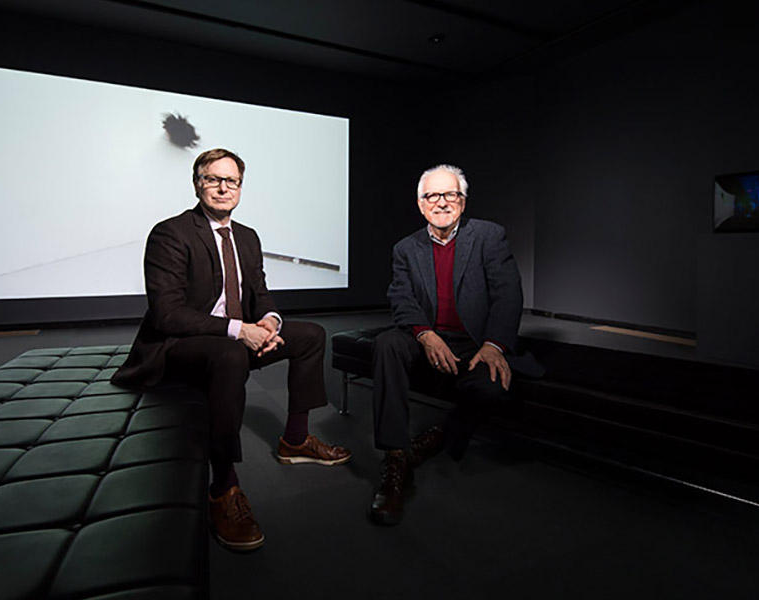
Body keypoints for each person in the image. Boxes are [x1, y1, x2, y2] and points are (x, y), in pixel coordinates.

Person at [112, 148, 351, 551]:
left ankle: (295, 440)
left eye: (232, 181)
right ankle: (223, 487)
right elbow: (168, 315)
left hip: (233, 336)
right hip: (178, 347)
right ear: (197, 183)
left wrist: (270, 323)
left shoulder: (247, 236)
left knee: (310, 333)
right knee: (231, 354)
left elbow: (260, 293)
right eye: (213, 179)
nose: (223, 188)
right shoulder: (171, 233)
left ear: (241, 187)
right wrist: (241, 331)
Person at [368, 164, 542, 526]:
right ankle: (396, 458)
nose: (442, 202)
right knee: (386, 344)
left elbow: (508, 295)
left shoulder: (489, 237)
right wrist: (425, 335)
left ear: (462, 202)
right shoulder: (405, 248)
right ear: (420, 204)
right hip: (425, 335)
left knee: (492, 386)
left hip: (474, 340)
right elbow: (401, 298)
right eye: (433, 195)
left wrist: (494, 345)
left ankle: (445, 432)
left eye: (451, 195)